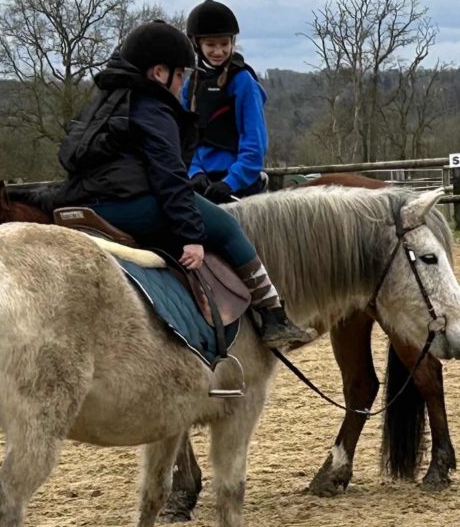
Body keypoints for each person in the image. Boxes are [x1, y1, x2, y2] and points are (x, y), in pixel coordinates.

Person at [57, 20, 313, 350]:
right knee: (227, 226)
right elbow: (169, 177)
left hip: (84, 200)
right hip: (126, 202)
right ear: (159, 72)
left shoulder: (106, 100)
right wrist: (191, 235)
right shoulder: (153, 107)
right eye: (179, 75)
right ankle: (274, 316)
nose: (181, 84)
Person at [183, 0, 270, 202]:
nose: (218, 51)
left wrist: (231, 181)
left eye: (224, 44)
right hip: (201, 182)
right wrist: (194, 172)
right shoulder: (191, 85)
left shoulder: (243, 82)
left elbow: (254, 142)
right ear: (198, 44)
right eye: (211, 45)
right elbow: (185, 139)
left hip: (238, 183)